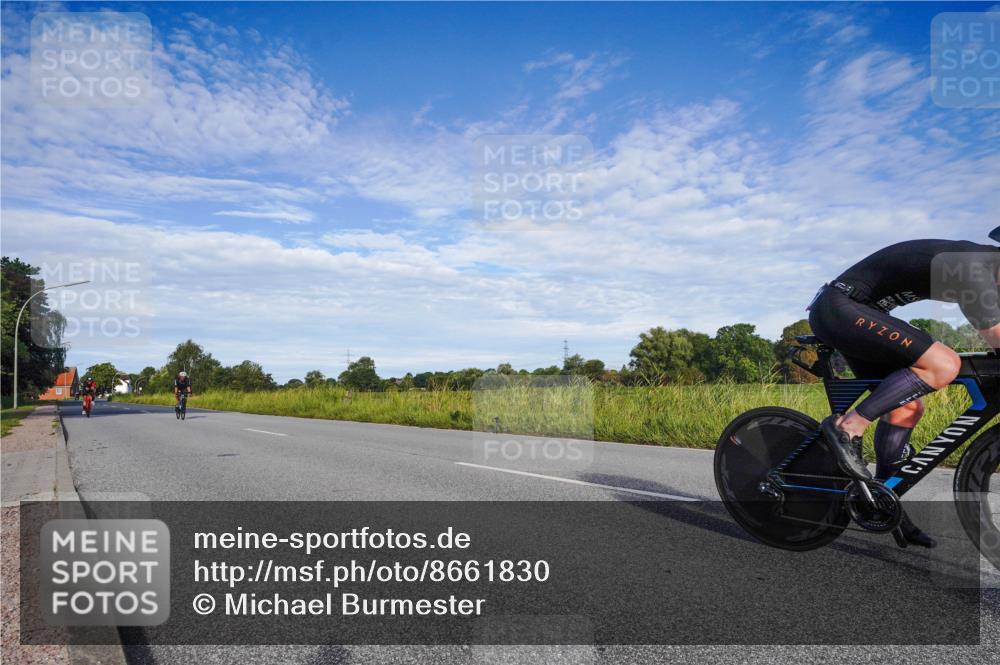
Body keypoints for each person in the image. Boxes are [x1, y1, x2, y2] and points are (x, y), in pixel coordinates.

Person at [808, 229, 1000, 548]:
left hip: (862, 313)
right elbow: (995, 334)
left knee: (906, 408)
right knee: (943, 364)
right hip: (839, 307)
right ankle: (849, 427)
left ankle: (882, 497)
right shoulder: (971, 267)